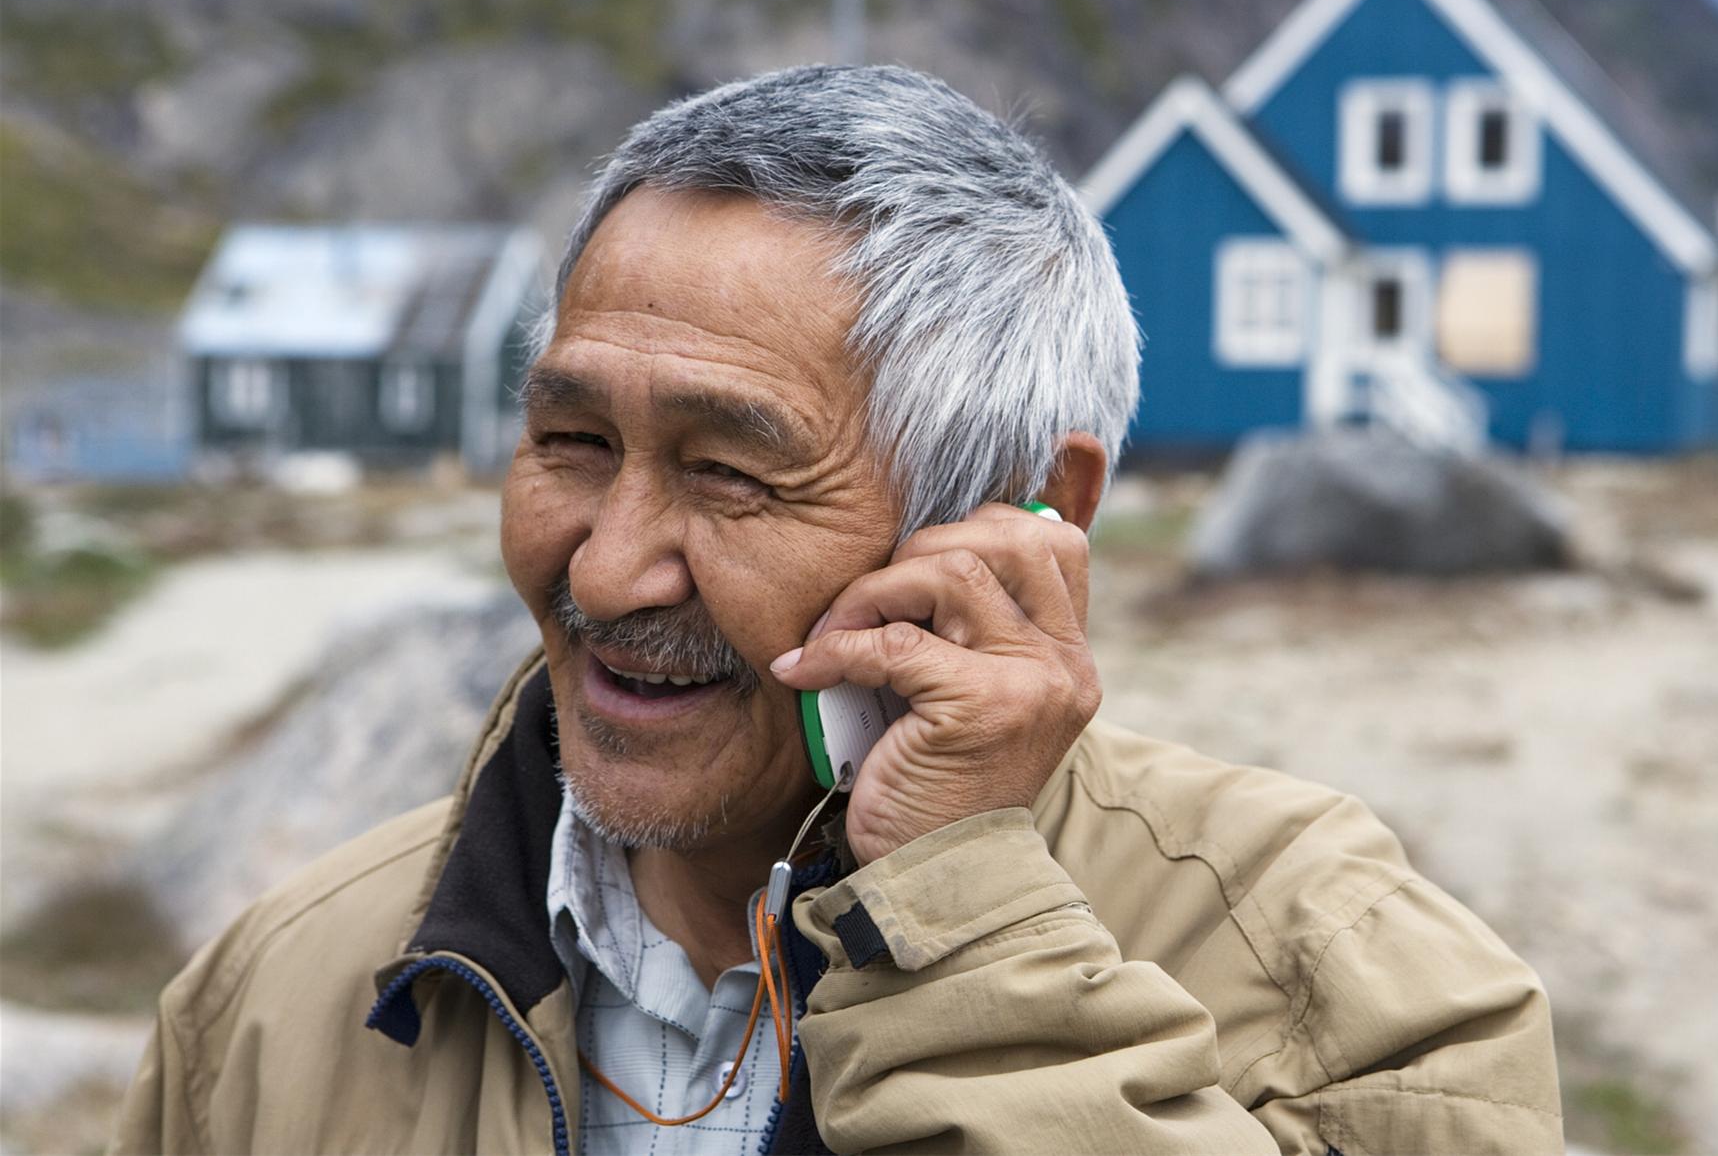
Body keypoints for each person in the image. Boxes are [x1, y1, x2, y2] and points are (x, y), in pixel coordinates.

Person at [113, 65, 1562, 1155]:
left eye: (731, 472)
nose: (608, 570)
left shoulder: (1343, 980)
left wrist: (968, 936)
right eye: (570, 443)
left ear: (1027, 513)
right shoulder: (271, 999)